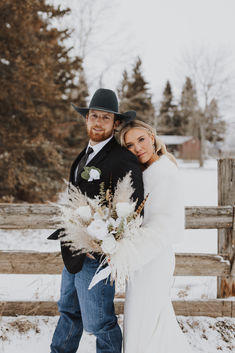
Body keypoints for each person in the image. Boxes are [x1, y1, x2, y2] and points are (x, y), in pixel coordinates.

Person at [48, 89, 144, 353]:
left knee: (99, 323)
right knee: (68, 311)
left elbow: (134, 210)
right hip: (73, 250)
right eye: (93, 116)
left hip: (97, 256)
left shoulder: (123, 158)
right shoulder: (84, 155)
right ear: (86, 119)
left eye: (105, 117)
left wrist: (104, 244)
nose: (98, 122)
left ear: (116, 123)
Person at [109, 120, 193, 353]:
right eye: (129, 145)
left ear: (153, 138)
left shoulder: (164, 173)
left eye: (141, 140)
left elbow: (165, 225)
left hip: (153, 256)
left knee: (146, 319)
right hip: (141, 256)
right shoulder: (144, 173)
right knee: (146, 318)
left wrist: (126, 253)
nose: (137, 148)